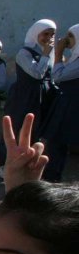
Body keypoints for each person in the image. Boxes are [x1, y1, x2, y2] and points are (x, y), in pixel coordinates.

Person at [0, 19, 57, 181]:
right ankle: (5, 167)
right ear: (36, 34)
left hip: (41, 97)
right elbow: (36, 74)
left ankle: (27, 166)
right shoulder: (24, 53)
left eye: (52, 34)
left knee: (35, 131)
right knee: (17, 127)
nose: (49, 38)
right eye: (45, 34)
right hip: (24, 97)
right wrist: (45, 55)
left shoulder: (49, 53)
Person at [39, 23, 79, 182]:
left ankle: (52, 178)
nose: (66, 39)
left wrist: (59, 52)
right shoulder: (75, 58)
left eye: (71, 36)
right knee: (57, 142)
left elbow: (58, 76)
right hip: (67, 103)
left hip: (71, 105)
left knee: (58, 141)